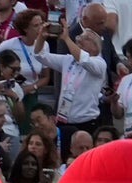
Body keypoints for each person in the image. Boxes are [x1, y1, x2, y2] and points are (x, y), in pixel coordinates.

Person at [37, 24, 108, 155]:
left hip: (86, 123)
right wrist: (42, 37)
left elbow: (84, 60)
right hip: (63, 122)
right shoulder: (68, 60)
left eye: (85, 38)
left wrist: (66, 38)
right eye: (79, 36)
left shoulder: (99, 63)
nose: (79, 39)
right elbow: (40, 56)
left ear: (95, 46)